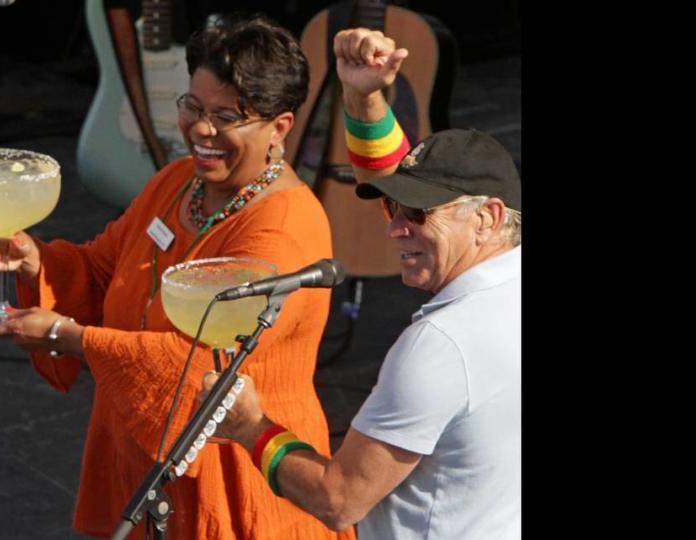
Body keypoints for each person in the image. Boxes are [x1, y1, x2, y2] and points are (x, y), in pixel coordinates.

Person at [0, 15, 355, 540]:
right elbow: (106, 267)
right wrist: (32, 258)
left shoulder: (283, 231)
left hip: (232, 472)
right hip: (148, 465)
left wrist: (68, 337)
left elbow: (198, 366)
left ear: (280, 127)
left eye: (225, 116)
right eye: (193, 107)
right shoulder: (180, 182)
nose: (200, 129)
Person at [198, 28, 522, 539]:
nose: (394, 227)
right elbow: (403, 181)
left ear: (488, 218)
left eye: (415, 212)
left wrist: (250, 427)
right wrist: (362, 95)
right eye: (394, 208)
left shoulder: (441, 347)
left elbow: (339, 498)